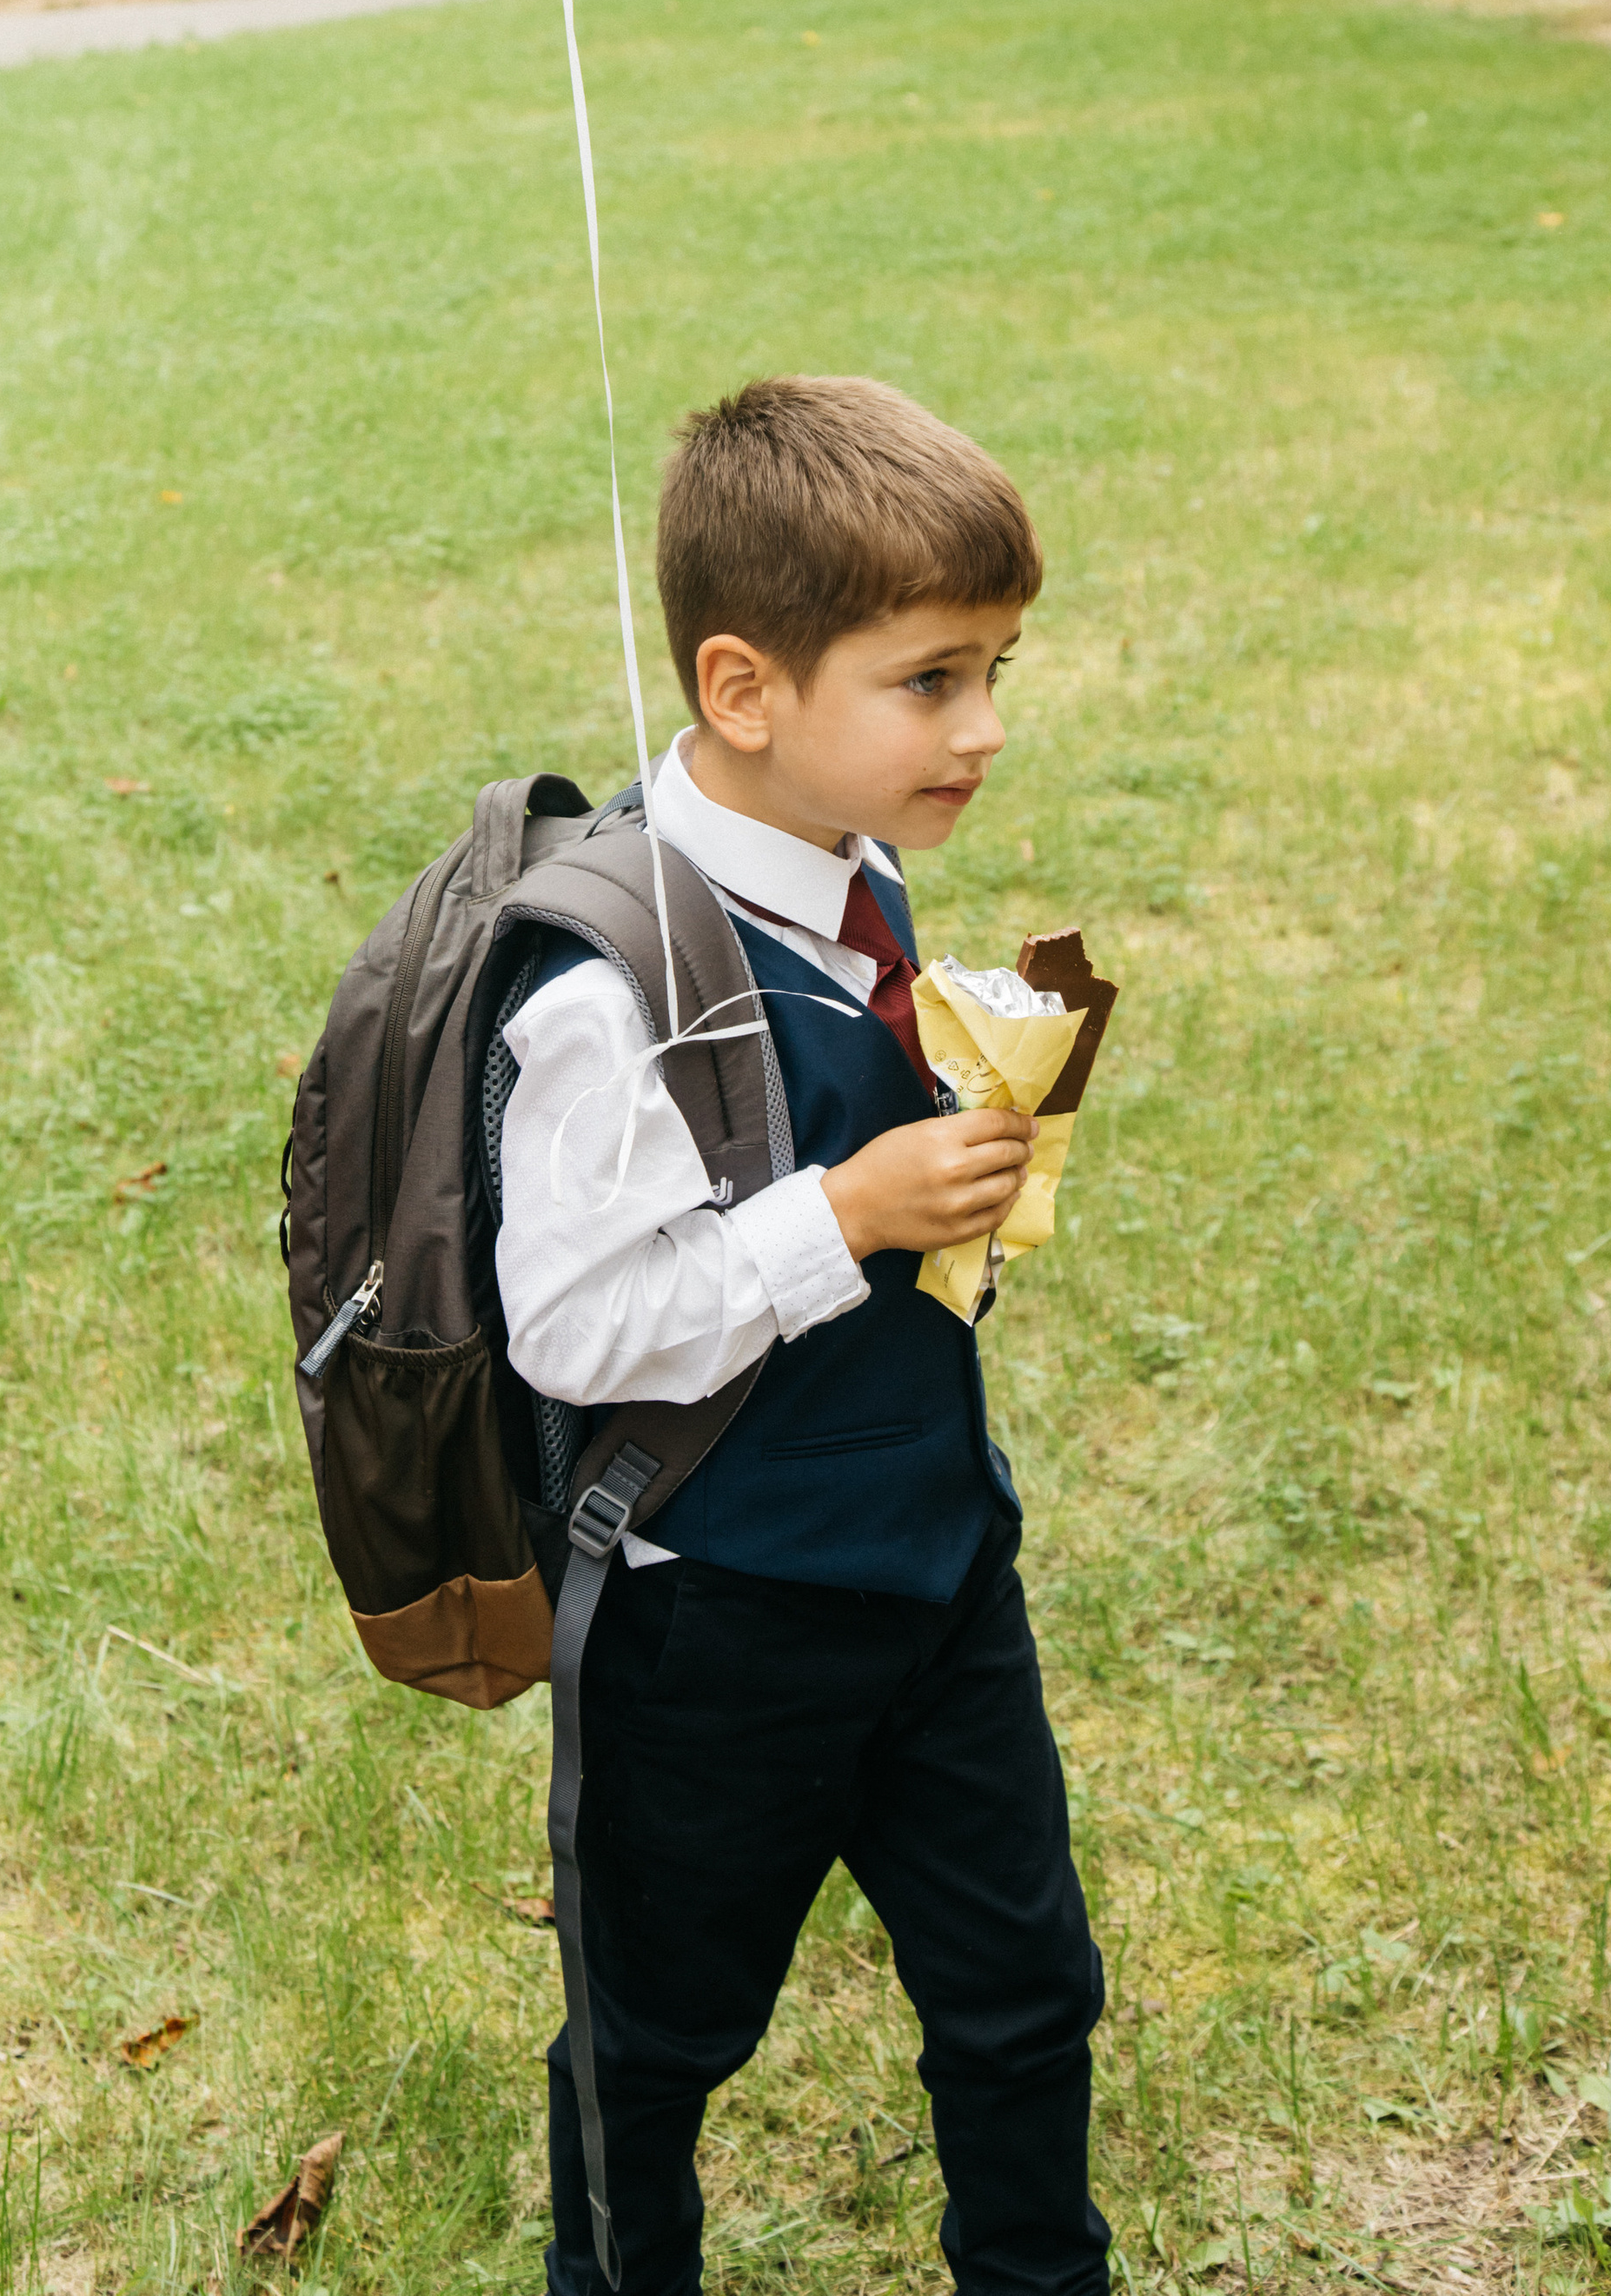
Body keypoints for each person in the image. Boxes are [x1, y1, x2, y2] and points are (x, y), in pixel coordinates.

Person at [497, 374, 1110, 2296]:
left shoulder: (854, 859)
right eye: (931, 681)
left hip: (939, 1569)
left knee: (1026, 1992)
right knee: (655, 2042)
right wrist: (847, 1212)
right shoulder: (608, 985)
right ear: (743, 689)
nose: (983, 727)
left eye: (995, 671)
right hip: (715, 1624)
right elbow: (573, 1324)